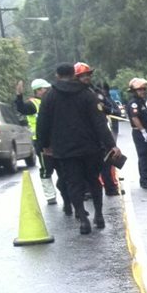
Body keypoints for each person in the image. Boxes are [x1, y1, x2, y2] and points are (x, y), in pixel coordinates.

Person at [36, 63, 122, 235]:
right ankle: (98, 215)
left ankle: (83, 219)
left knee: (73, 184)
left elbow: (42, 124)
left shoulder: (49, 97)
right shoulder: (87, 94)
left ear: (57, 75)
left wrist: (44, 145)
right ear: (73, 75)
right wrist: (111, 145)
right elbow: (99, 123)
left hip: (64, 149)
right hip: (90, 147)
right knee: (93, 181)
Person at [13, 77, 64, 206]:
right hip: (41, 142)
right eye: (45, 89)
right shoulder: (33, 104)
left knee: (63, 168)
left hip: (57, 140)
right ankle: (50, 196)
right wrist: (19, 95)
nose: (47, 91)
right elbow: (21, 108)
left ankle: (65, 191)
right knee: (47, 169)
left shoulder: (51, 100)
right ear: (38, 91)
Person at [73, 62, 121, 196]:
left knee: (107, 160)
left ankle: (110, 188)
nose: (86, 78)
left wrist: (105, 109)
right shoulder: (72, 95)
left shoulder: (95, 92)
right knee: (84, 164)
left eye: (87, 75)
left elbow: (108, 108)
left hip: (99, 131)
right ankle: (87, 190)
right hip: (82, 134)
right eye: (82, 76)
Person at [125, 78, 147, 189]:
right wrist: (143, 131)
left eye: (144, 89)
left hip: (146, 132)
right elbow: (135, 118)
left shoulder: (140, 101)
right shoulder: (134, 103)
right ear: (134, 91)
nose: (143, 91)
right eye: (140, 89)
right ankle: (145, 180)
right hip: (140, 133)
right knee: (144, 156)